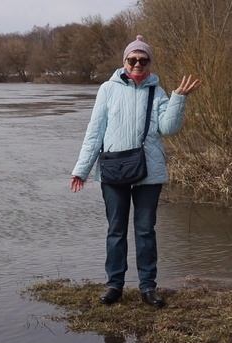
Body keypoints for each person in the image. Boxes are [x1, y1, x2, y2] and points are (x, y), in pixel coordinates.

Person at [70, 35, 200, 308]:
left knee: (145, 231)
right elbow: (95, 132)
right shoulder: (108, 89)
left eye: (143, 59)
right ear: (124, 62)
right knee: (116, 230)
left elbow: (169, 129)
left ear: (150, 63)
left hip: (148, 172)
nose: (138, 64)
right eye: (133, 59)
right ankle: (114, 286)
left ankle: (147, 288)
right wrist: (81, 170)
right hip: (113, 171)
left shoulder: (158, 91)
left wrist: (179, 98)